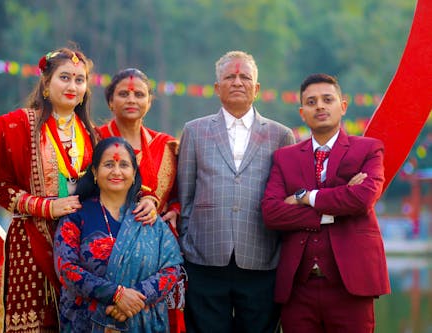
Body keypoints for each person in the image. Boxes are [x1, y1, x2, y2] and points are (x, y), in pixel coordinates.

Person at [0, 47, 156, 332]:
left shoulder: (93, 133)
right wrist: (47, 207)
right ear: (46, 82)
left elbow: (116, 182)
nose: (72, 86)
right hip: (32, 242)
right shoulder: (14, 125)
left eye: (79, 80)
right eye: (64, 77)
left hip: (81, 246)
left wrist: (148, 199)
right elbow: (2, 190)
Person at [261, 73, 390, 332]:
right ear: (302, 113)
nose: (319, 105)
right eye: (311, 102)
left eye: (327, 99)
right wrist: (333, 209)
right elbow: (272, 213)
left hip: (352, 285)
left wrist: (304, 198)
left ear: (342, 106)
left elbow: (363, 199)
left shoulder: (368, 149)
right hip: (298, 287)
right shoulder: (284, 158)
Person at [177, 50, 295, 333]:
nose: (238, 82)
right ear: (217, 88)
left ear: (256, 89)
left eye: (245, 77)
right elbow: (186, 195)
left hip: (262, 258)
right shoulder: (194, 131)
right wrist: (187, 243)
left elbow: (285, 200)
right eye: (230, 77)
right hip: (204, 257)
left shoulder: (281, 135)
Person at [54, 137, 183, 332]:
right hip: (86, 322)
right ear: (95, 173)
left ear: (133, 174)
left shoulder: (149, 219)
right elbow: (66, 269)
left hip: (141, 319)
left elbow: (171, 268)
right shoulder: (76, 217)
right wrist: (117, 295)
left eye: (124, 165)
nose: (116, 171)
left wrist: (135, 299)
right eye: (108, 164)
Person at [96, 68, 184, 333]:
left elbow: (181, 194)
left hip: (158, 256)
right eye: (123, 94)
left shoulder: (167, 145)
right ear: (111, 101)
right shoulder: (92, 139)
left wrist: (175, 210)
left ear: (149, 100)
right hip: (106, 251)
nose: (131, 99)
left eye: (139, 94)